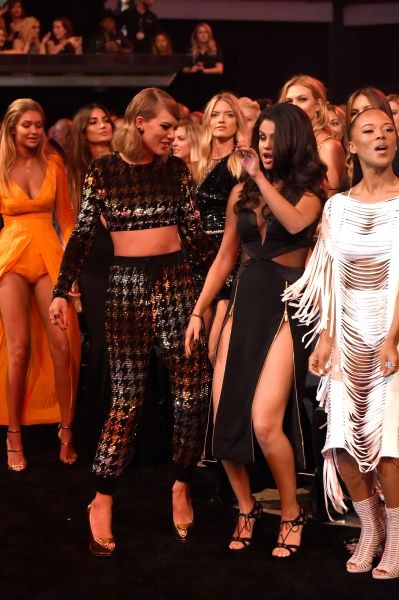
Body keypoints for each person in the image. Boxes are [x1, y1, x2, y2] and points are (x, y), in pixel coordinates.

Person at [49, 87, 216, 556]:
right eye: (165, 127)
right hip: (126, 289)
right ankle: (101, 499)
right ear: (140, 123)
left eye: (176, 129)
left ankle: (180, 486)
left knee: (190, 394)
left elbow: (198, 239)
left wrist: (229, 281)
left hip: (179, 284)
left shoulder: (177, 171)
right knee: (126, 399)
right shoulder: (103, 172)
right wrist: (63, 290)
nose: (173, 136)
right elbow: (81, 234)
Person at [185, 103, 327, 556]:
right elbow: (225, 257)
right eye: (260, 138)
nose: (264, 147)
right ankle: (245, 507)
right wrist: (199, 311)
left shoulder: (312, 193)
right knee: (224, 418)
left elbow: (294, 222)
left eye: (272, 138)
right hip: (244, 302)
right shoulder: (240, 195)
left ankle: (290, 511)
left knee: (265, 422)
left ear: (292, 140)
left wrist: (260, 180)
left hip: (288, 305)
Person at [285, 108, 399, 579]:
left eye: (388, 129)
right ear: (350, 145)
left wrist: (394, 337)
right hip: (348, 334)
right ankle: (370, 529)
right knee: (342, 447)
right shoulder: (337, 206)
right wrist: (327, 337)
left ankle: (396, 538)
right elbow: (331, 278)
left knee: (389, 447)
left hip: (391, 334)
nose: (381, 137)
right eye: (368, 131)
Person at [0, 98, 81, 470]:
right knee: (18, 348)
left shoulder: (54, 165)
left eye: (39, 124)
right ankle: (14, 433)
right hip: (11, 257)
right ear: (12, 127)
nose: (34, 131)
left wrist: (72, 270)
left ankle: (67, 427)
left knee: (61, 344)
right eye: (27, 125)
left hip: (49, 257)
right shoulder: (1, 166)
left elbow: (65, 220)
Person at [67, 103, 114, 451]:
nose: (101, 126)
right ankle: (101, 428)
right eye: (93, 123)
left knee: (127, 341)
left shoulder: (125, 162)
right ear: (83, 132)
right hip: (94, 264)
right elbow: (74, 228)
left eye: (105, 120)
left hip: (128, 256)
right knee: (101, 342)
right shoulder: (76, 172)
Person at [195, 92, 247, 351]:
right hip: (198, 257)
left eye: (228, 115)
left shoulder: (242, 162)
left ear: (238, 121)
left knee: (218, 345)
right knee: (198, 345)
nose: (221, 120)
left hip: (228, 254)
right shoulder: (198, 164)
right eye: (215, 115)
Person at [279, 74, 345, 196]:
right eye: (289, 101)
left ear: (318, 105)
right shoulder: (288, 143)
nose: (294, 105)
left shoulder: (328, 146)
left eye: (302, 99)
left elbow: (329, 200)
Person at [172, 119, 203, 183]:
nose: (173, 143)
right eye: (172, 139)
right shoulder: (168, 170)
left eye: (181, 139)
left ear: (195, 142)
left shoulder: (208, 169)